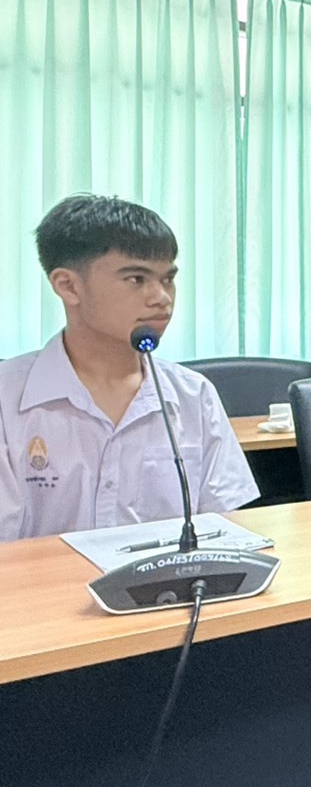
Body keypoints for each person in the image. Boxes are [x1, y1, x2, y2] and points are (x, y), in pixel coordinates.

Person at [0, 195, 258, 542]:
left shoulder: (192, 395)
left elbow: (225, 530)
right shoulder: (8, 399)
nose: (162, 298)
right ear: (68, 285)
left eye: (168, 279)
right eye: (137, 279)